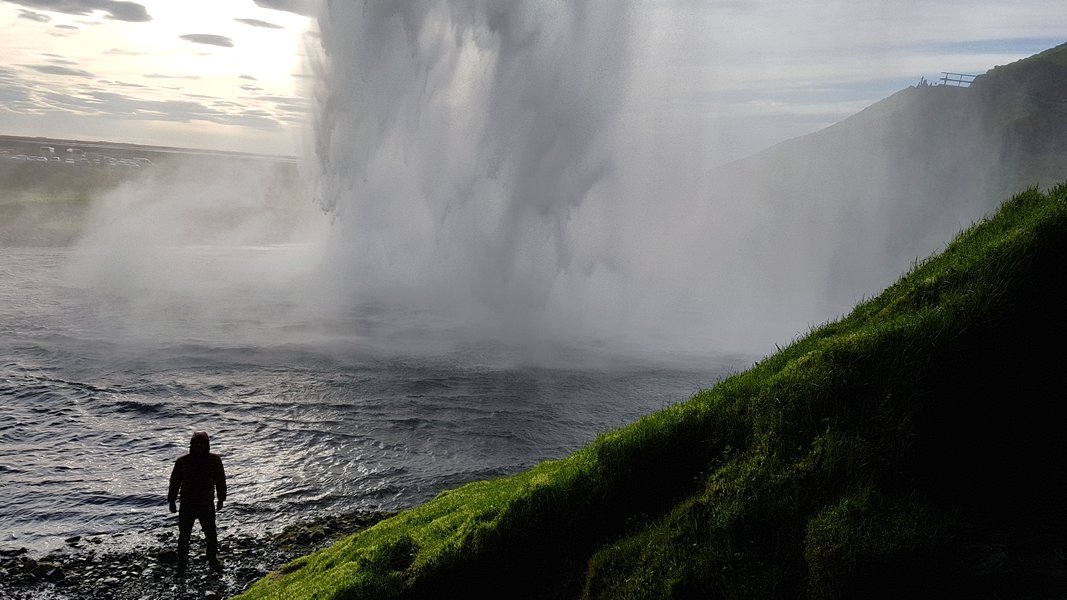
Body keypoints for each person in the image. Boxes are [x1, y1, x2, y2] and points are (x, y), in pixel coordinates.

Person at [168, 431, 227, 573]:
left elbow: (220, 481)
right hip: (187, 504)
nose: (199, 446)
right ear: (191, 445)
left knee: (211, 533)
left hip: (206, 503)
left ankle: (212, 559)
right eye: (196, 444)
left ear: (207, 445)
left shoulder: (214, 460)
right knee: (184, 535)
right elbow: (174, 482)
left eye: (202, 444)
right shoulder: (183, 461)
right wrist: (171, 500)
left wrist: (221, 498)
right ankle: (182, 563)